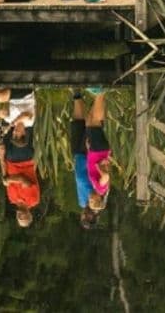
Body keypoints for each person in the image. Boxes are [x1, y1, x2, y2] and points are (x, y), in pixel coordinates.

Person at [0, 88, 40, 227]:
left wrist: (1, 156)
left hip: (10, 159)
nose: (21, 215)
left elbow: (5, 176)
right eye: (24, 217)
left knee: (1, 127)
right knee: (18, 130)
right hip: (23, 160)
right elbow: (23, 180)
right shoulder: (33, 200)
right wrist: (8, 180)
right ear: (29, 214)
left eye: (19, 218)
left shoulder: (12, 199)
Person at [71, 90, 99, 228]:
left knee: (77, 123)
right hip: (89, 155)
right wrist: (92, 154)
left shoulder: (81, 203)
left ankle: (77, 93)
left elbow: (79, 182)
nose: (86, 215)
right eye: (89, 218)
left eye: (84, 218)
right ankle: (98, 96)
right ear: (94, 216)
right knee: (91, 123)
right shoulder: (97, 201)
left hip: (78, 157)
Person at [85, 89, 112, 213]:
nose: (89, 198)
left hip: (95, 151)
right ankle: (100, 92)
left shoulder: (97, 188)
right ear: (98, 199)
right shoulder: (101, 189)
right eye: (91, 201)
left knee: (90, 120)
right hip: (100, 150)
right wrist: (98, 167)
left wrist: (89, 150)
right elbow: (106, 176)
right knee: (94, 122)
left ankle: (100, 95)